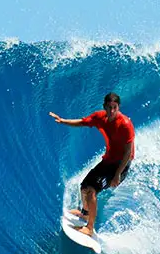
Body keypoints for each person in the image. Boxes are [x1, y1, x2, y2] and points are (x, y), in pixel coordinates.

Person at [49, 92, 135, 236]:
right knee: (84, 186)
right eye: (109, 107)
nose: (112, 111)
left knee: (91, 190)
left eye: (115, 107)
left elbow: (128, 153)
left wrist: (117, 175)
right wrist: (63, 121)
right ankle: (85, 213)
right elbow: (83, 122)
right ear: (104, 107)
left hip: (121, 165)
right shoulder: (100, 117)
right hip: (108, 160)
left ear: (119, 107)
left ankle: (89, 228)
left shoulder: (125, 125)